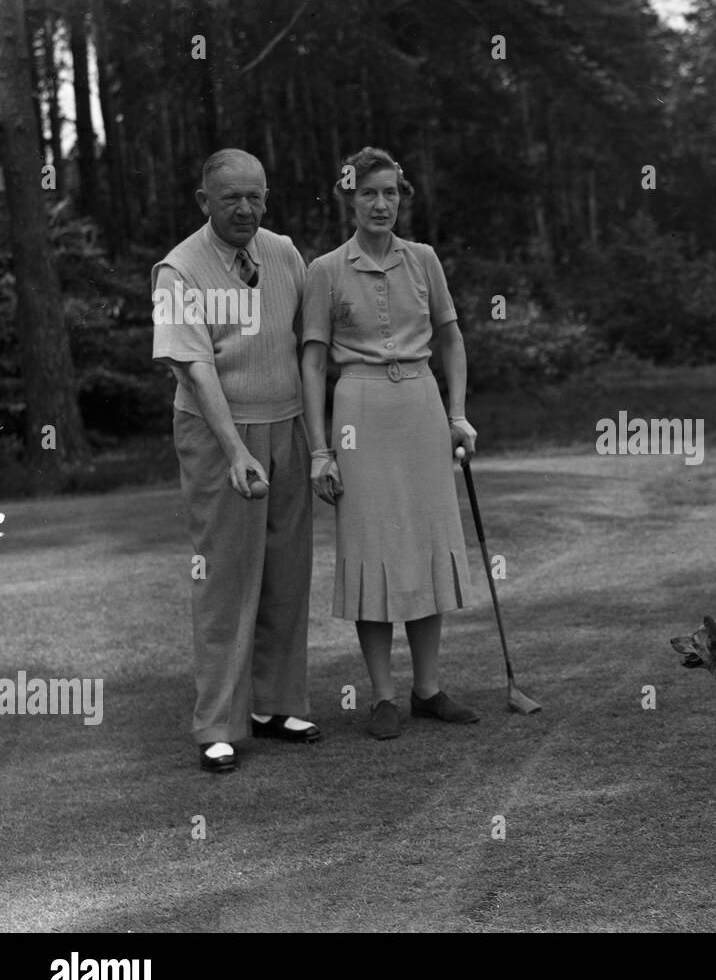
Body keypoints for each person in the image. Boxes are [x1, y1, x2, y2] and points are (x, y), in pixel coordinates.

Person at [301, 146, 480, 740]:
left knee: (427, 541)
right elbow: (312, 363)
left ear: (402, 198)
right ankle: (381, 695)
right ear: (348, 198)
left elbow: (451, 341)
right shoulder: (325, 269)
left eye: (391, 193)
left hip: (422, 407)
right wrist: (320, 450)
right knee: (371, 549)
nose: (381, 204)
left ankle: (427, 690)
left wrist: (457, 414)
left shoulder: (424, 259)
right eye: (369, 193)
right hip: (357, 407)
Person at [152, 148, 321, 773]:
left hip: (288, 427)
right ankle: (218, 722)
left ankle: (274, 704)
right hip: (217, 433)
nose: (246, 208)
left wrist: (320, 442)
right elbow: (193, 368)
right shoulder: (178, 270)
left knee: (286, 570)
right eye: (232, 199)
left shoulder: (284, 253)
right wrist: (235, 451)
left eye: (256, 196)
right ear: (204, 202)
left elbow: (310, 346)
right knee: (224, 575)